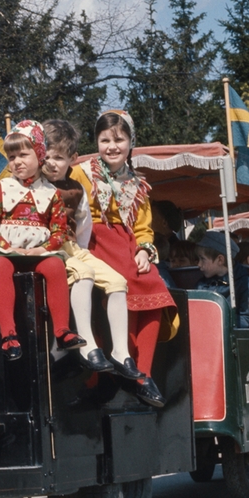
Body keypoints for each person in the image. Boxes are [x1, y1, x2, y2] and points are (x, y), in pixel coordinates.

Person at [80, 109, 175, 408]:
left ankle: (141, 372)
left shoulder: (137, 184)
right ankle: (121, 366)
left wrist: (145, 250)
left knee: (155, 286)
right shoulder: (83, 173)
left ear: (131, 142)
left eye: (119, 139)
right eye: (105, 139)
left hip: (126, 243)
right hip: (94, 239)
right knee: (126, 282)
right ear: (96, 141)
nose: (112, 146)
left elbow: (143, 226)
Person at [0, 120, 83, 361]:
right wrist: (5, 246)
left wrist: (42, 250)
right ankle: (9, 334)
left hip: (36, 253)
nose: (17, 161)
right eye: (11, 157)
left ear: (39, 154)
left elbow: (59, 231)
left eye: (23, 154)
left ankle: (62, 330)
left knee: (54, 266)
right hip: (7, 250)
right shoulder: (3, 188)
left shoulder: (50, 193)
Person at [40, 119, 130, 372]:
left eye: (58, 157)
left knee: (117, 281)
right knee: (83, 274)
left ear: (73, 159)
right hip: (46, 246)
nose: (51, 163)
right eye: (46, 156)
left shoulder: (76, 189)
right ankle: (86, 343)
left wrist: (78, 250)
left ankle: (121, 352)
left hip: (71, 246)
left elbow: (83, 225)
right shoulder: (35, 185)